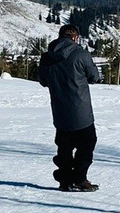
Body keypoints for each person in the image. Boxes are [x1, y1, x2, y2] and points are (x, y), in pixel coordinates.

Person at [38, 24, 103, 191]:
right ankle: (80, 178)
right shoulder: (81, 54)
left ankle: (65, 180)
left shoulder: (47, 57)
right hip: (81, 112)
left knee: (64, 147)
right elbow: (94, 77)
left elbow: (43, 81)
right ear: (75, 37)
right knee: (87, 145)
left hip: (60, 111)